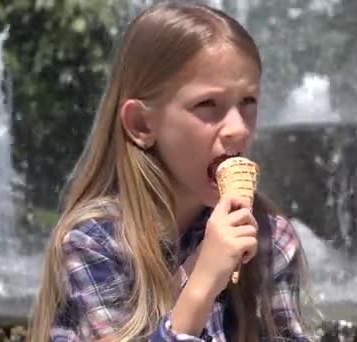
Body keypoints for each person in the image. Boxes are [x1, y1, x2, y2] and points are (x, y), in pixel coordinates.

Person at [27, 1, 310, 341]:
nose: (238, 128)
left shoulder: (268, 239)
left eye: (248, 102)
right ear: (141, 123)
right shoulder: (96, 244)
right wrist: (202, 282)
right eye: (208, 105)